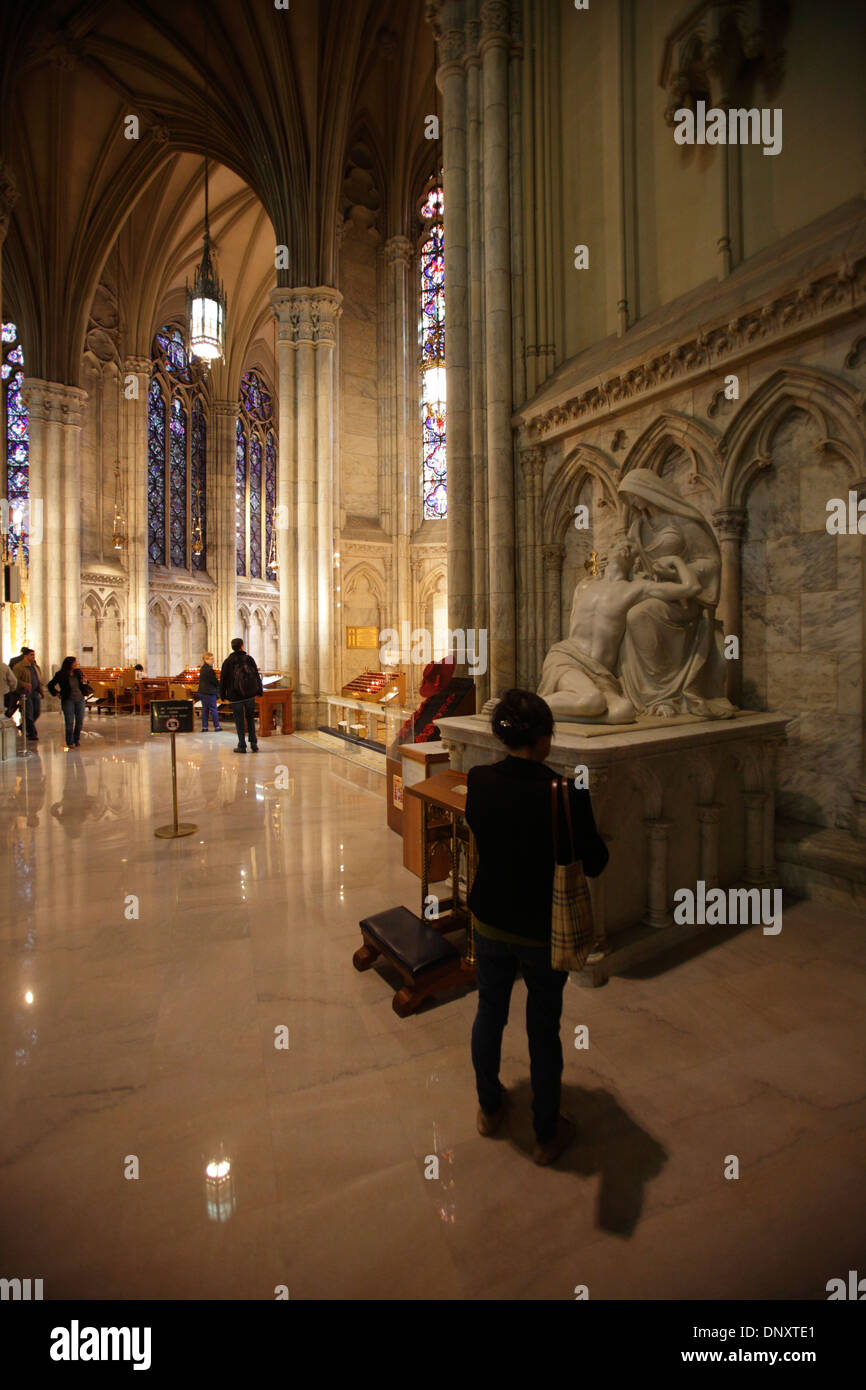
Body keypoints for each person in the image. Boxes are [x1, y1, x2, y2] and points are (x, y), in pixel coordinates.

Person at [465, 689, 609, 1167]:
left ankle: (489, 1109)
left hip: (489, 921)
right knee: (543, 1029)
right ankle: (546, 1134)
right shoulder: (565, 793)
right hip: (543, 932)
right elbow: (596, 863)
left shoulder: (480, 780)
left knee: (489, 1012)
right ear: (544, 739)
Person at [537, 538, 704, 723]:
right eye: (618, 545)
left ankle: (544, 713)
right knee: (592, 700)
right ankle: (526, 706)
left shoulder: (637, 588)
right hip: (568, 659)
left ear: (636, 561)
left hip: (601, 673)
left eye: (632, 548)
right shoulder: (584, 585)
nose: (626, 546)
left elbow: (692, 588)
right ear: (607, 555)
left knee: (623, 712)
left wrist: (675, 560)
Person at [219, 638, 262, 753]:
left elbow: (223, 679)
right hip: (249, 695)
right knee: (250, 718)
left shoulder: (228, 661)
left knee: (239, 720)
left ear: (232, 647)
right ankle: (254, 744)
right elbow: (257, 675)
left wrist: (222, 694)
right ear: (242, 646)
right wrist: (259, 690)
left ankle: (242, 745)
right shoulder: (249, 659)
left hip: (235, 696)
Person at [47, 656, 91, 748]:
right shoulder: (60, 674)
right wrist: (57, 693)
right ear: (70, 664)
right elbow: (50, 685)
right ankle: (69, 741)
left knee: (79, 721)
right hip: (68, 700)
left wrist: (85, 682)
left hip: (80, 699)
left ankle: (76, 739)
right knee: (70, 721)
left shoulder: (78, 673)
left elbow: (85, 683)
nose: (77, 664)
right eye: (75, 662)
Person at [11, 648, 47, 742]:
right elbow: (14, 680)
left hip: (35, 692)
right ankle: (32, 733)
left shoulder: (35, 666)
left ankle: (23, 726)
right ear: (25, 656)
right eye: (31, 655)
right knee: (28, 714)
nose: (33, 656)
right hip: (25, 693)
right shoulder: (18, 667)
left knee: (37, 712)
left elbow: (38, 680)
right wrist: (24, 684)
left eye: (34, 655)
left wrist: (41, 691)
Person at [197, 652, 223, 732]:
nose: (213, 660)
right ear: (206, 660)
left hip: (202, 691)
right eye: (211, 659)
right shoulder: (209, 669)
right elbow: (213, 681)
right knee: (213, 709)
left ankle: (205, 727)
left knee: (205, 709)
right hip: (209, 692)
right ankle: (217, 726)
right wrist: (219, 684)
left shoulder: (203, 669)